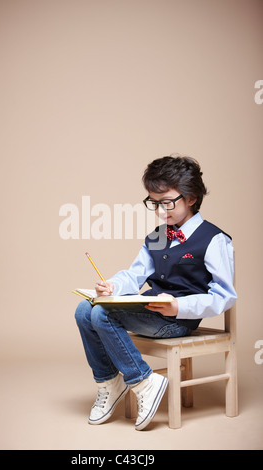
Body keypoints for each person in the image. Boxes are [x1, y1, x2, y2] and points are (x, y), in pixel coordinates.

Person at [75, 155, 237, 431]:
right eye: (155, 203)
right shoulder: (158, 236)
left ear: (192, 198)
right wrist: (113, 286)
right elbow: (136, 274)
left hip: (177, 322)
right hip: (149, 313)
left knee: (102, 313)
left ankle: (142, 381)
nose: (161, 211)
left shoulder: (214, 239)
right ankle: (110, 383)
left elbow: (224, 296)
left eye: (168, 203)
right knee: (85, 308)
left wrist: (179, 307)